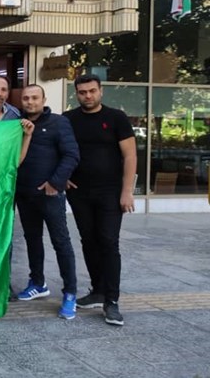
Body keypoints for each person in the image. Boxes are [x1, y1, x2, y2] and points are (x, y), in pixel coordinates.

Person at [64, 74, 136, 326]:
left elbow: (130, 156)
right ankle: (97, 290)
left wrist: (127, 191)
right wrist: (63, 177)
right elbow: (58, 148)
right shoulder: (68, 119)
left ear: (101, 91)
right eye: (82, 92)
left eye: (92, 91)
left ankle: (112, 301)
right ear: (76, 93)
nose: (88, 96)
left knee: (108, 242)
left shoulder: (116, 118)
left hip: (110, 192)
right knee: (89, 240)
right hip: (79, 192)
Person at [15, 84, 80, 320]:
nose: (30, 102)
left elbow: (71, 155)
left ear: (43, 100)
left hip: (50, 196)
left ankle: (70, 293)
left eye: (35, 98)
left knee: (61, 242)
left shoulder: (58, 123)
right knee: (32, 240)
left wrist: (56, 182)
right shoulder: (17, 124)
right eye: (26, 98)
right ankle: (38, 282)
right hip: (25, 195)